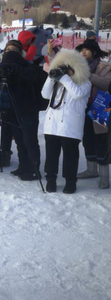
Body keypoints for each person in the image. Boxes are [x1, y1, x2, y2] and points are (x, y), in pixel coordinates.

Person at [41, 49, 92, 194]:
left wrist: (64, 78)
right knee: (51, 155)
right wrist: (51, 77)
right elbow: (45, 94)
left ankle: (70, 182)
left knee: (70, 156)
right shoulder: (58, 82)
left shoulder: (85, 83)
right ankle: (51, 180)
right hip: (52, 125)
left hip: (70, 126)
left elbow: (77, 94)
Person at [0, 43, 43, 181]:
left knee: (29, 140)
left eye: (14, 51)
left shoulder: (29, 67)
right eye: (8, 50)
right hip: (12, 109)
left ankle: (34, 169)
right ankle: (23, 165)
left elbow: (32, 78)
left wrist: (16, 69)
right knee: (20, 140)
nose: (11, 54)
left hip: (28, 109)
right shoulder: (4, 68)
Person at [74, 40, 111, 188]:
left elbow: (106, 84)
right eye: (81, 49)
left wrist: (87, 75)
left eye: (87, 50)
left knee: (102, 141)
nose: (83, 52)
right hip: (82, 108)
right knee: (87, 139)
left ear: (94, 52)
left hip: (100, 107)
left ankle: (104, 176)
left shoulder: (105, 66)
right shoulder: (78, 67)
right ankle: (91, 169)